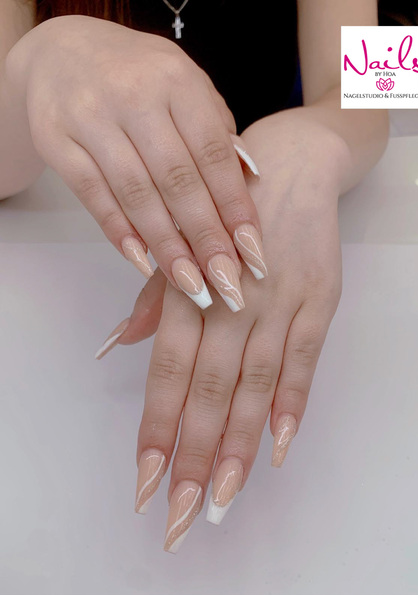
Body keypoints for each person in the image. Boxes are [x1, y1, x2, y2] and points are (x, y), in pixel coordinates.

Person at [0, 0, 389, 553]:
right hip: (50, 301)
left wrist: (311, 143)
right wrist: (35, 59)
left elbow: (381, 93)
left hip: (291, 240)